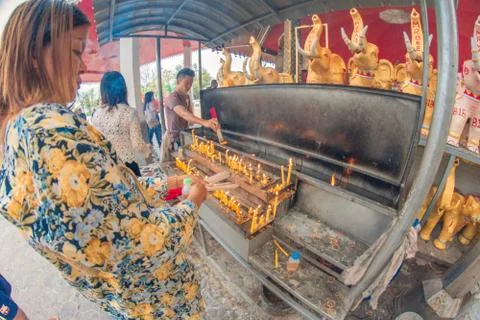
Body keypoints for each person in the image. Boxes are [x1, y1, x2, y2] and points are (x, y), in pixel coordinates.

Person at [0, 1, 207, 319]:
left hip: (130, 303)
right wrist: (191, 203)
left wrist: (165, 184)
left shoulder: (20, 132)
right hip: (159, 302)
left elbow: (105, 202)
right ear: (33, 55)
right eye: (74, 51)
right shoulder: (48, 128)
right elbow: (134, 249)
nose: (82, 66)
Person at [91, 71, 150, 177]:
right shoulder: (129, 112)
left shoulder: (96, 114)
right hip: (128, 167)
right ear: (123, 89)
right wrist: (149, 148)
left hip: (107, 168)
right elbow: (137, 144)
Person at [163, 68, 218, 152]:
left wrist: (209, 121)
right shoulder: (172, 98)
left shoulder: (187, 97)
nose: (189, 86)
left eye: (191, 84)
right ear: (178, 81)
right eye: (186, 83)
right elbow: (184, 114)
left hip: (185, 135)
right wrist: (205, 122)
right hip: (175, 138)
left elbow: (190, 118)